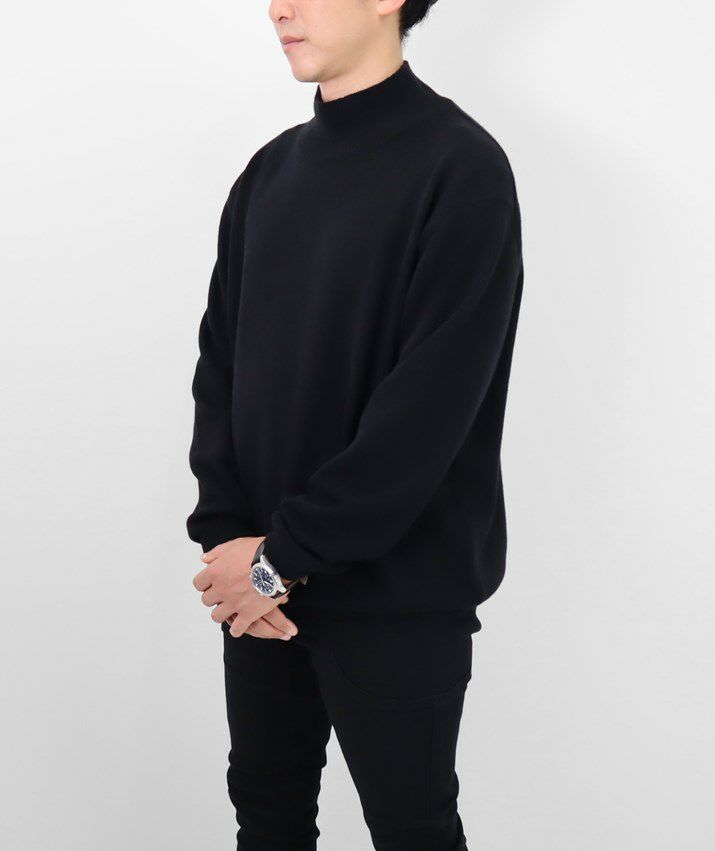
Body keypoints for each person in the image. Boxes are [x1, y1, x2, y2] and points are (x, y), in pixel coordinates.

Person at [186, 1, 524, 848]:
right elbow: (221, 367)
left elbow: (427, 412)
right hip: (259, 584)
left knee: (411, 828)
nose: (279, 8)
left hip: (396, 592)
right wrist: (231, 542)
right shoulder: (269, 172)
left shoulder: (462, 169)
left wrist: (281, 557)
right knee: (266, 817)